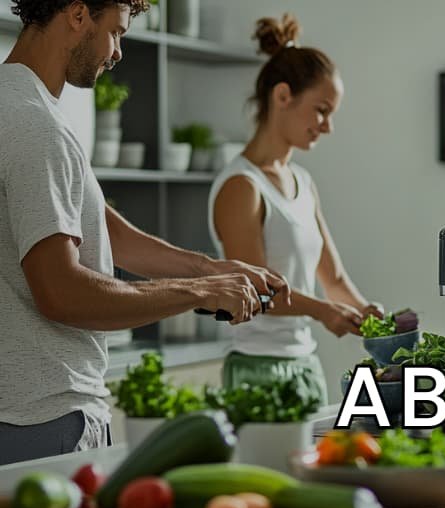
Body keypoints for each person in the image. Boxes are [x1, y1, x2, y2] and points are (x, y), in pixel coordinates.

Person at [0, 0, 290, 465]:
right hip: (41, 417)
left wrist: (209, 269)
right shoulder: (37, 127)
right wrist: (198, 292)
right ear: (77, 16)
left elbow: (102, 224)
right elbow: (61, 293)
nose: (116, 53)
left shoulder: (17, 105)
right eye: (115, 31)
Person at [208, 14, 382, 403]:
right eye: (322, 110)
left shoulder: (303, 183)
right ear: (283, 96)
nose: (327, 126)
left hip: (306, 365)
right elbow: (256, 291)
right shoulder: (242, 186)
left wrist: (366, 311)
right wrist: (323, 312)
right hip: (256, 368)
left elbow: (333, 278)